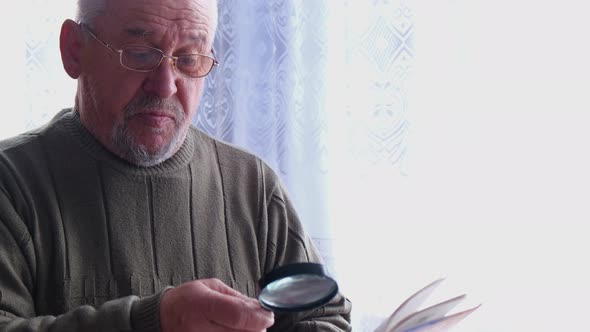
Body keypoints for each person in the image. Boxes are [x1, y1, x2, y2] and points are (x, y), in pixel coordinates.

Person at [0, 0, 352, 330]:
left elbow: (325, 316)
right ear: (74, 50)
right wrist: (154, 321)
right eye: (139, 54)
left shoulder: (253, 185)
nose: (166, 86)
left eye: (189, 59)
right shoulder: (11, 185)